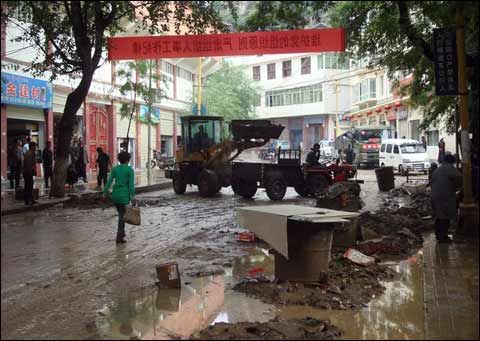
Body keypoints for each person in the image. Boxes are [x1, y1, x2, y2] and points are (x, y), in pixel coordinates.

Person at [103, 151, 135, 244]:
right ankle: (119, 236)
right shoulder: (129, 170)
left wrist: (105, 192)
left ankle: (122, 235)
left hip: (115, 195)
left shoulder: (115, 169)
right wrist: (133, 196)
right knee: (122, 216)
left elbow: (108, 182)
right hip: (124, 196)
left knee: (121, 214)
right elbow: (131, 186)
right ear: (128, 160)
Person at [431, 153, 460, 243]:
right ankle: (443, 237)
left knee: (439, 216)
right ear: (452, 162)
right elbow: (459, 179)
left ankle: (438, 234)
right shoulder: (450, 169)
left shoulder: (438, 169)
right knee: (445, 216)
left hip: (434, 196)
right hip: (445, 197)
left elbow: (432, 181)